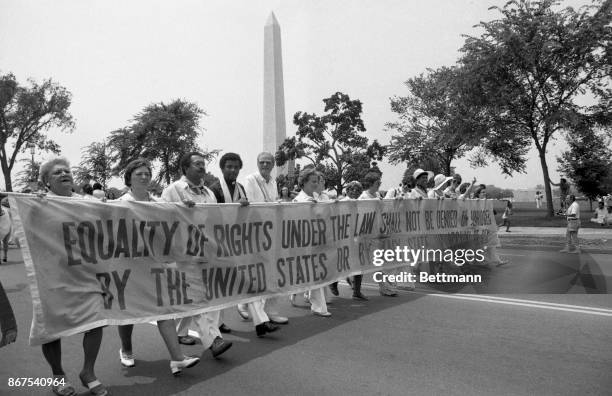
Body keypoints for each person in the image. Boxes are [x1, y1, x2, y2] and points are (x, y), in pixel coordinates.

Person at [116, 159, 200, 375]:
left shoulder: (157, 203)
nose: (144, 177)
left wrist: (185, 208)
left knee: (165, 310)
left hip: (155, 265)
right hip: (130, 266)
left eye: (147, 173)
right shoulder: (120, 203)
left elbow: (174, 217)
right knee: (128, 314)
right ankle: (126, 349)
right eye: (139, 174)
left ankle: (177, 358)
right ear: (129, 178)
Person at [37, 157, 107, 396]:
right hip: (52, 276)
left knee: (97, 320)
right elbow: (20, 236)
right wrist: (29, 205)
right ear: (46, 181)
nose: (65, 173)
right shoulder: (36, 205)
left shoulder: (86, 203)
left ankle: (88, 372)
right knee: (51, 328)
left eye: (67, 170)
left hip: (85, 274)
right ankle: (58, 375)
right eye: (57, 172)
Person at [161, 152, 233, 358]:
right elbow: (160, 217)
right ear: (185, 168)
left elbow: (215, 220)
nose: (202, 167)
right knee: (197, 297)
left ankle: (179, 332)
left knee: (205, 297)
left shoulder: (209, 193)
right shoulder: (173, 190)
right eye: (197, 164)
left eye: (203, 164)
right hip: (183, 253)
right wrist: (180, 210)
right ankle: (213, 339)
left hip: (206, 251)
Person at [209, 153, 280, 337]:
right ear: (222, 168)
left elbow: (244, 217)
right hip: (218, 243)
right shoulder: (214, 190)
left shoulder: (240, 188)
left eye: (236, 167)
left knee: (249, 281)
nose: (232, 170)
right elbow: (210, 216)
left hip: (238, 243)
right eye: (229, 167)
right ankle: (217, 323)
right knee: (220, 287)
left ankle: (260, 322)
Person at [241, 152, 289, 325]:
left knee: (273, 270)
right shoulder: (250, 180)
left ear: (273, 164)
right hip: (256, 231)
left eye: (269, 162)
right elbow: (251, 205)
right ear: (257, 163)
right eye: (262, 162)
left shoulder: (273, 182)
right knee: (257, 271)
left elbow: (272, 202)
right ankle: (248, 304)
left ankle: (269, 309)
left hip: (271, 229)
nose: (265, 165)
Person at [292, 168, 332, 317]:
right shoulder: (298, 200)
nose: (316, 184)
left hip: (317, 240)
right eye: (313, 181)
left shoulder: (319, 197)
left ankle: (319, 306)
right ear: (303, 183)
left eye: (317, 181)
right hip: (302, 243)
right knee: (303, 273)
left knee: (317, 272)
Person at [360, 172, 399, 297]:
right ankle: (353, 280)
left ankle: (385, 287)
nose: (379, 185)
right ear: (371, 184)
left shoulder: (377, 195)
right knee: (371, 262)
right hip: (368, 234)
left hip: (379, 232)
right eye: (378, 183)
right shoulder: (363, 197)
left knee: (380, 262)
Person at [337, 181, 368, 300]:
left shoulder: (360, 203)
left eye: (357, 190)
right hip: (343, 238)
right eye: (352, 189)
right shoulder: (340, 203)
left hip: (356, 237)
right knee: (339, 263)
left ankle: (357, 291)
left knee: (359, 263)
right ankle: (333, 284)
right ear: (347, 190)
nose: (354, 192)